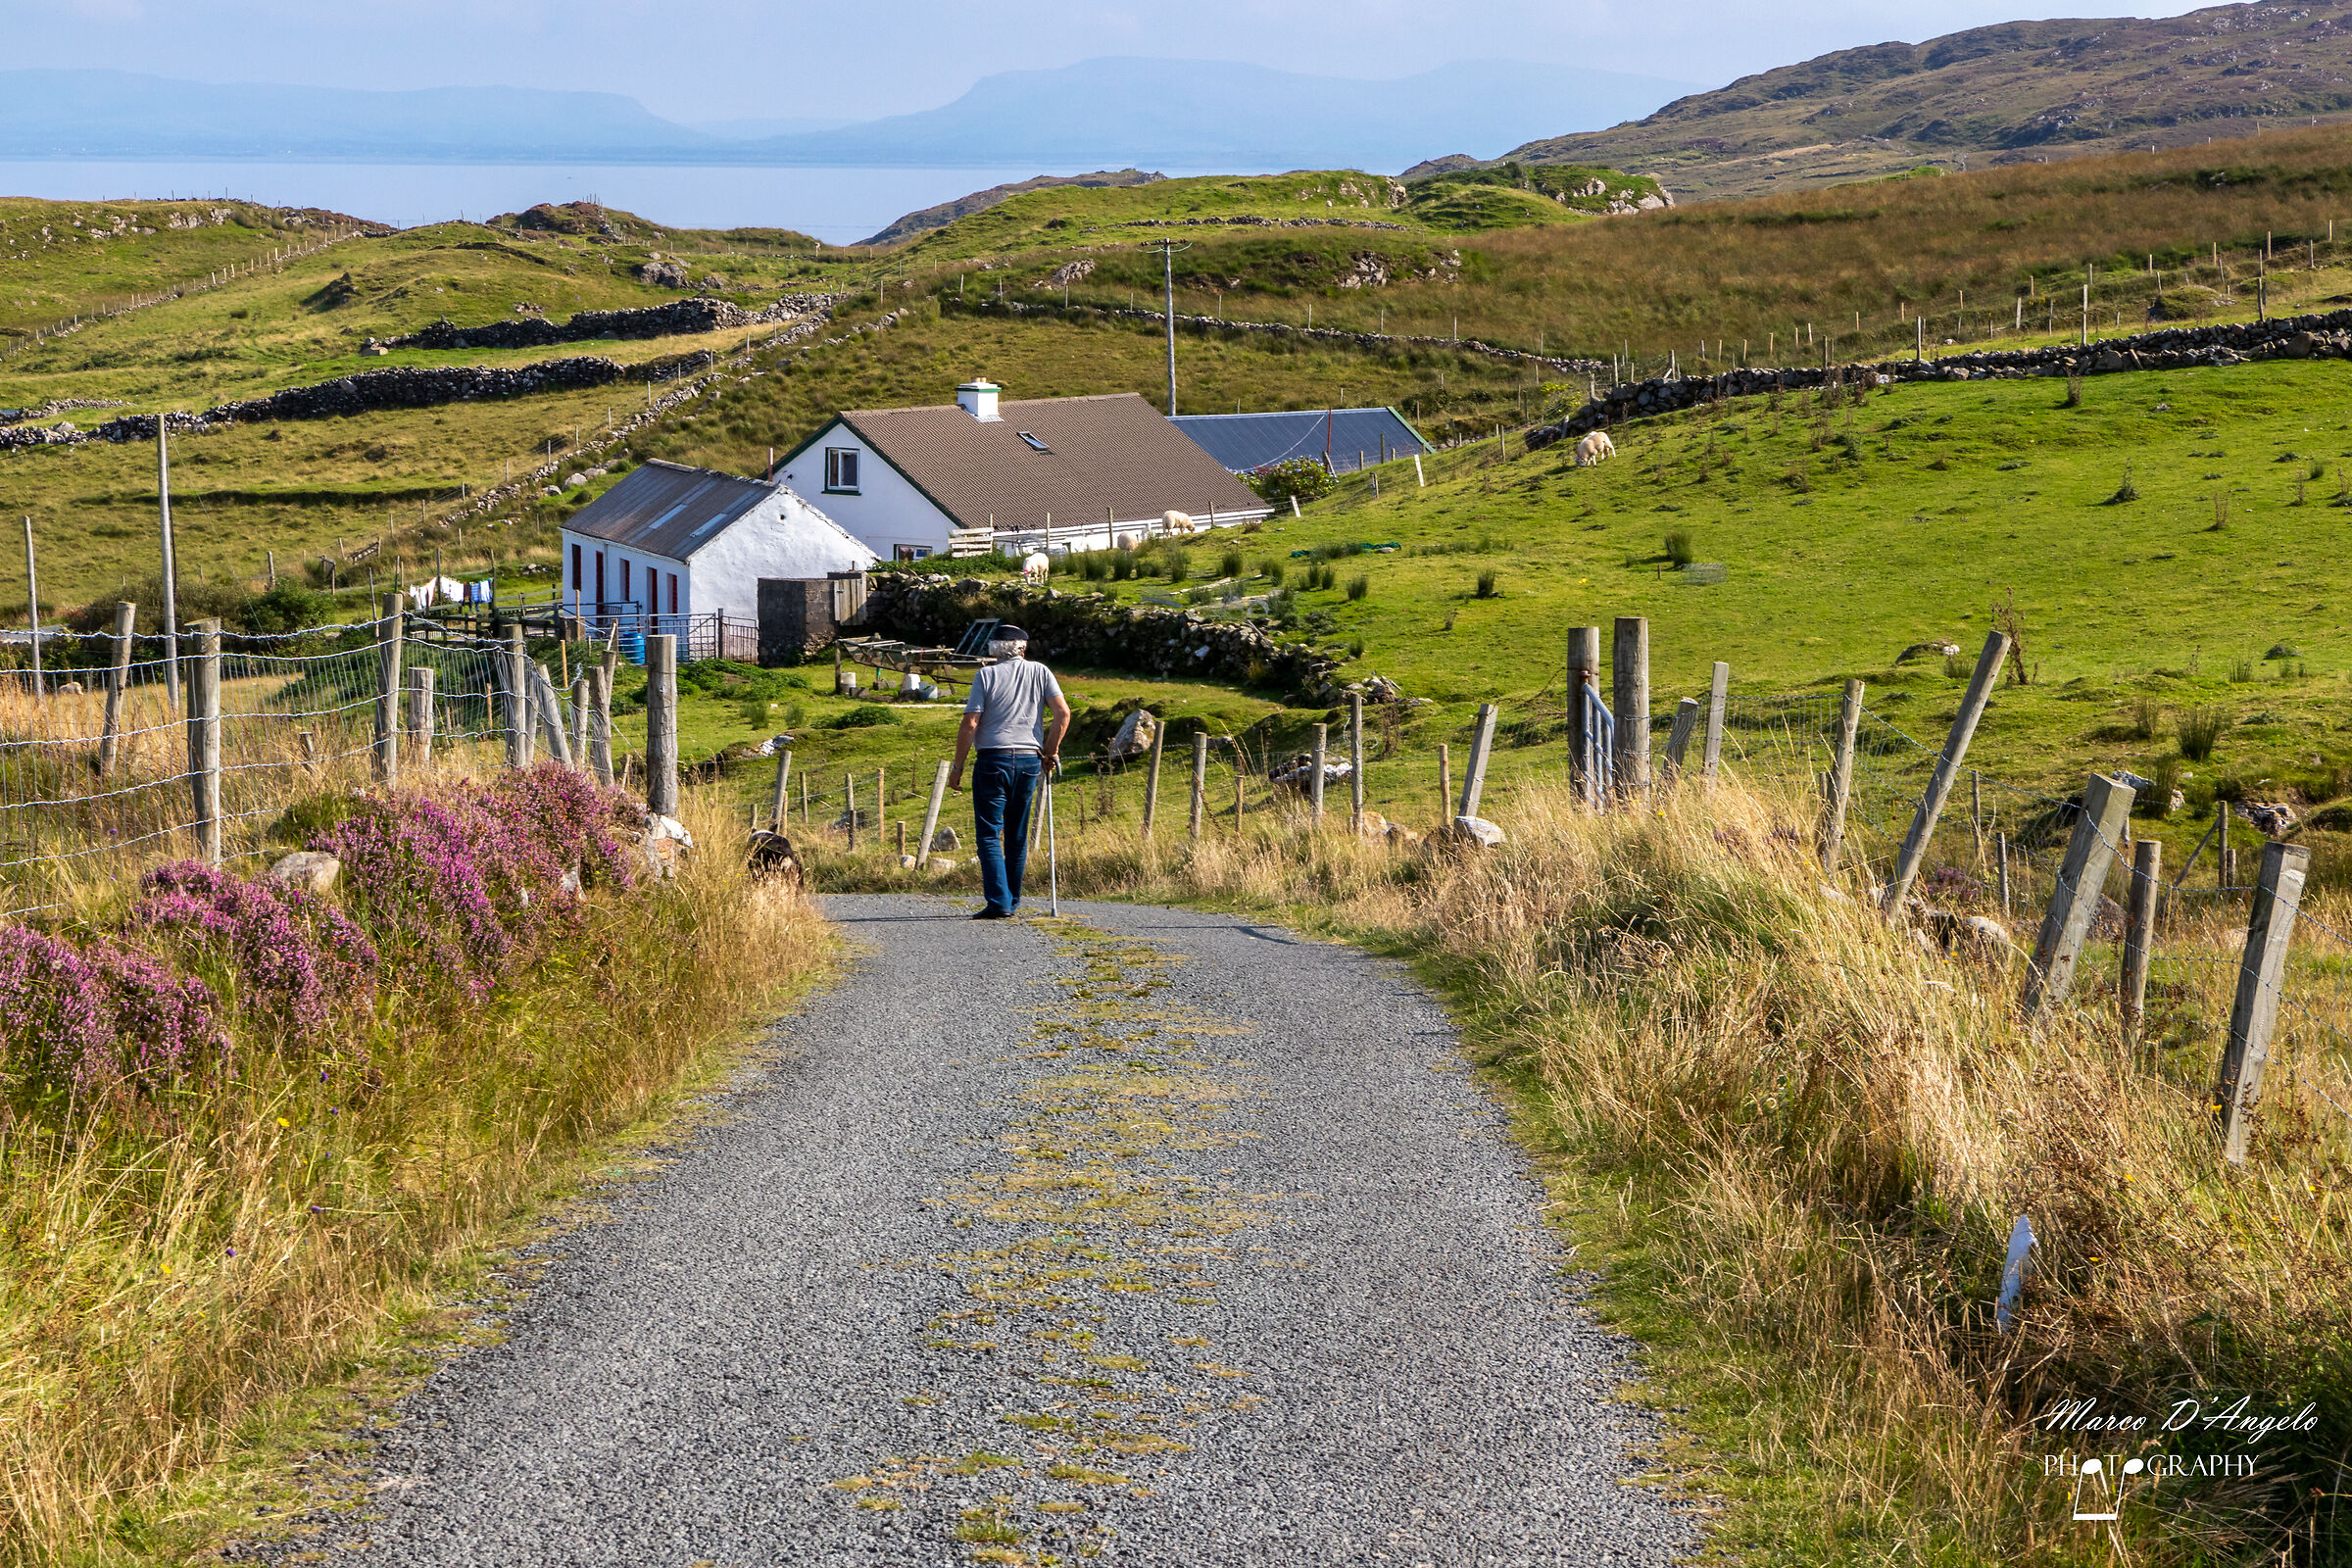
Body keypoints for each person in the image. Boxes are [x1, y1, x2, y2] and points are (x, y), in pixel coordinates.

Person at [948, 625, 1071, 919]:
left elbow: (971, 723)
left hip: (993, 759)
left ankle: (999, 902)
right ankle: (1011, 901)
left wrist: (958, 767)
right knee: (1017, 834)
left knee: (989, 833)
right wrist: (1050, 751)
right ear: (1023, 649)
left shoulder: (986, 675)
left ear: (994, 650)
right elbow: (1063, 713)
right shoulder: (1040, 672)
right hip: (1029, 760)